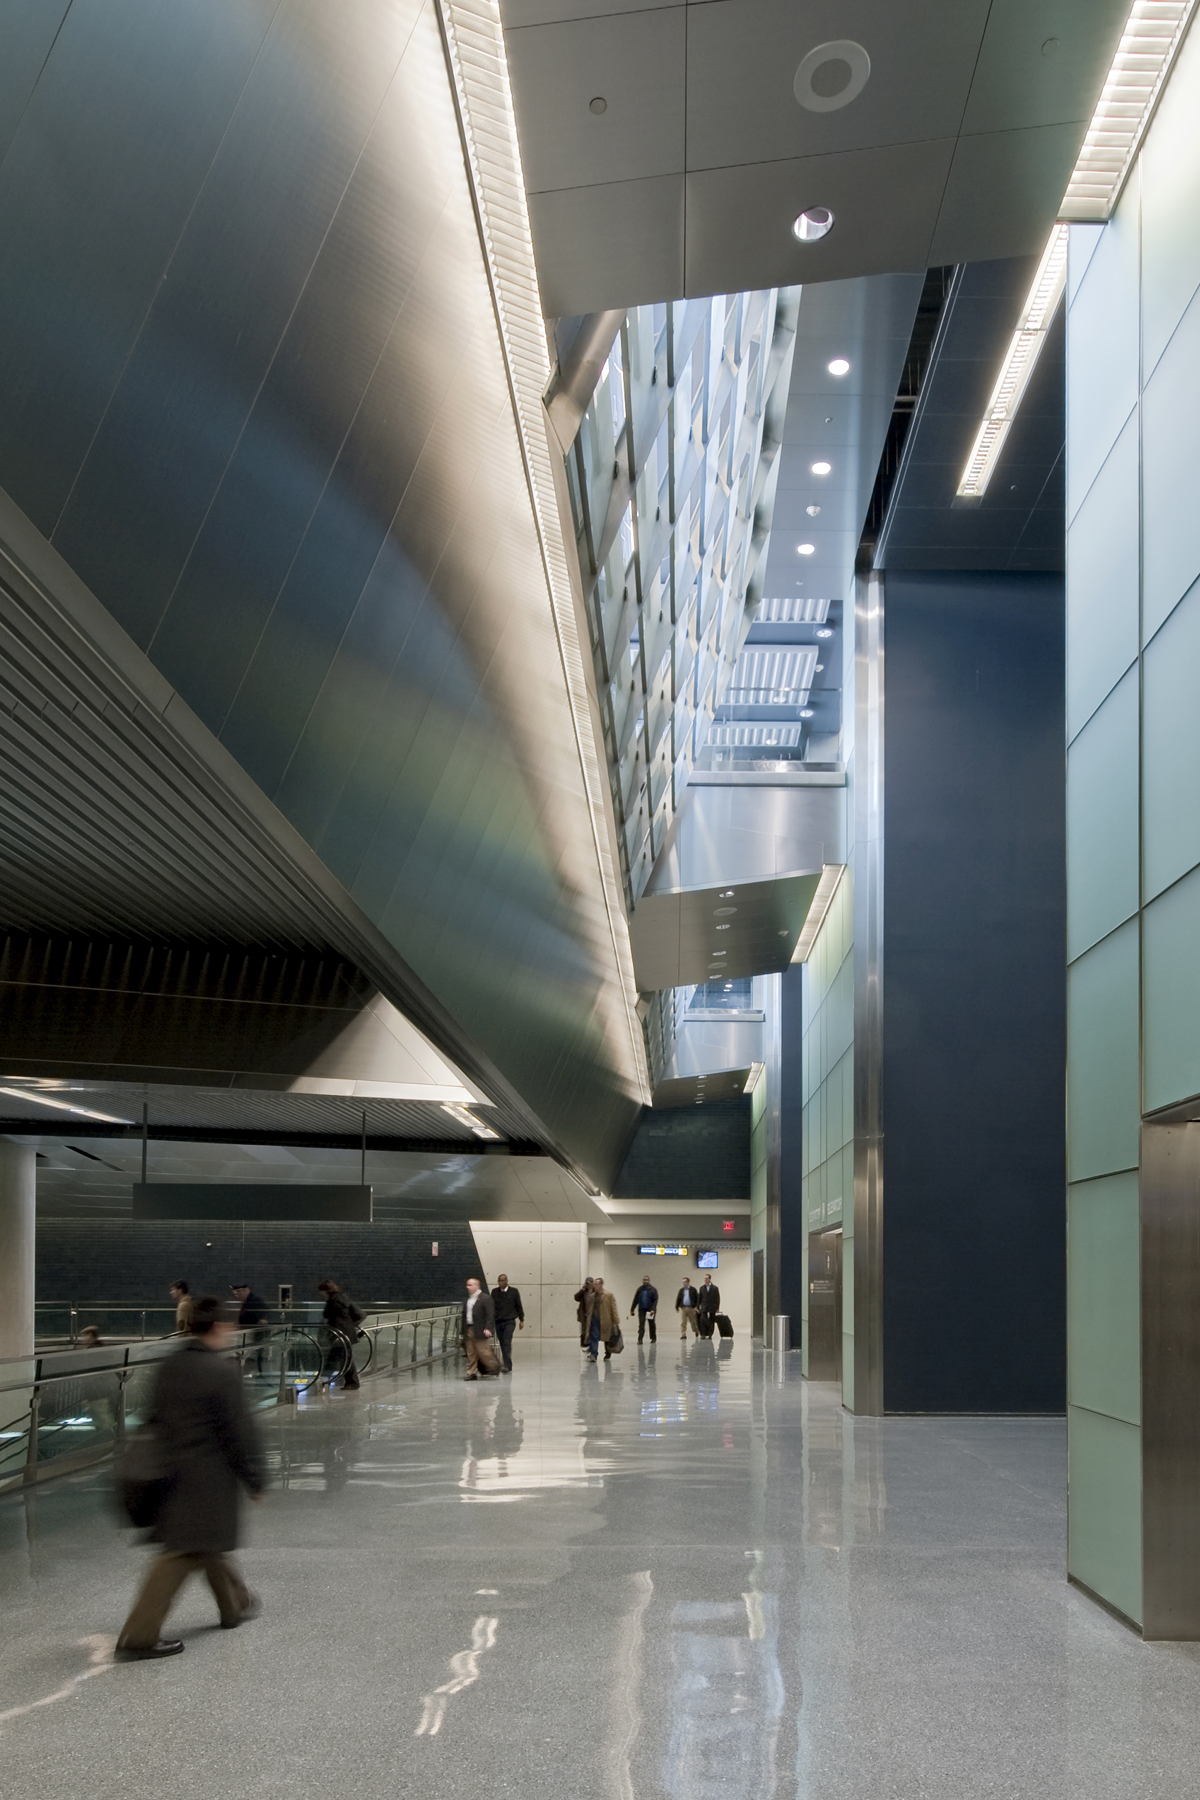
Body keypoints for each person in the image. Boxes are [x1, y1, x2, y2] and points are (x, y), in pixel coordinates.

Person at [115, 1297, 264, 1660]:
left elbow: (154, 1418)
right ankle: (139, 1635)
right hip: (206, 1477)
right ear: (217, 1328)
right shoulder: (221, 1372)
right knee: (181, 1552)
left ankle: (235, 1605)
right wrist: (255, 1478)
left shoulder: (171, 1365)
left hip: (169, 1471)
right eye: (229, 1326)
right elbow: (238, 1432)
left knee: (204, 1541)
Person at [317, 1279, 363, 1390]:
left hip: (340, 1333)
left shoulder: (333, 1301)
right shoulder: (342, 1297)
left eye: (322, 1291)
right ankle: (324, 1379)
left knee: (344, 1359)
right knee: (338, 1357)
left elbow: (328, 1315)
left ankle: (351, 1382)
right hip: (347, 1332)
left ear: (326, 1290)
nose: (321, 1294)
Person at [462, 1277, 498, 1380]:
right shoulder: (468, 1300)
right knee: (470, 1351)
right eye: (467, 1285)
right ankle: (471, 1372)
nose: (467, 1287)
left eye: (470, 1285)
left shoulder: (485, 1298)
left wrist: (488, 1328)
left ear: (476, 1286)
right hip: (469, 1328)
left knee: (484, 1351)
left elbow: (490, 1315)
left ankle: (494, 1367)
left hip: (480, 1329)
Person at [490, 1274, 524, 1373]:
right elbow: (492, 1307)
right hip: (498, 1321)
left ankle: (507, 1365)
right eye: (499, 1281)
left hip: (509, 1321)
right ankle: (506, 1363)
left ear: (507, 1281)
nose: (501, 1283)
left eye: (502, 1280)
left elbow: (518, 1305)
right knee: (502, 1343)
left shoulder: (514, 1292)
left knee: (506, 1342)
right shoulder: (494, 1292)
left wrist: (522, 1319)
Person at [582, 1277, 620, 1363]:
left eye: (596, 1284)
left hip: (606, 1319)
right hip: (594, 1319)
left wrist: (616, 1320)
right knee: (594, 1337)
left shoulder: (608, 1295)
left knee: (606, 1338)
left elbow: (613, 1308)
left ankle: (608, 1352)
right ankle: (594, 1354)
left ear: (601, 1285)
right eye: (594, 1284)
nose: (594, 1285)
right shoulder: (592, 1295)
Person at [630, 1276, 658, 1345]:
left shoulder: (653, 1289)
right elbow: (635, 1299)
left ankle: (653, 1338)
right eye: (644, 1280)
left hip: (650, 1310)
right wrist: (632, 1309)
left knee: (651, 1324)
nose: (645, 1281)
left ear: (648, 1280)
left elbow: (655, 1300)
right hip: (642, 1309)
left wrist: (653, 1309)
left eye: (646, 1280)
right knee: (641, 1324)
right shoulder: (640, 1289)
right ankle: (640, 1339)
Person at [696, 1273, 721, 1338]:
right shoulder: (702, 1288)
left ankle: (710, 1334)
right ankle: (703, 1334)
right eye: (704, 1278)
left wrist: (717, 1308)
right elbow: (699, 1298)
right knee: (703, 1320)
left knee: (711, 1320)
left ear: (709, 1279)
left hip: (712, 1306)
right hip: (704, 1306)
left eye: (706, 1278)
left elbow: (717, 1298)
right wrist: (698, 1307)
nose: (705, 1280)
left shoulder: (715, 1288)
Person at [574, 1277, 595, 1350]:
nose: (588, 1285)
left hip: (592, 1315)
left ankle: (591, 1347)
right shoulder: (583, 1292)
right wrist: (582, 1290)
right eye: (587, 1283)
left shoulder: (595, 1291)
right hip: (584, 1315)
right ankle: (584, 1345)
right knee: (584, 1331)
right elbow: (576, 1298)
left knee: (592, 1332)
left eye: (589, 1283)